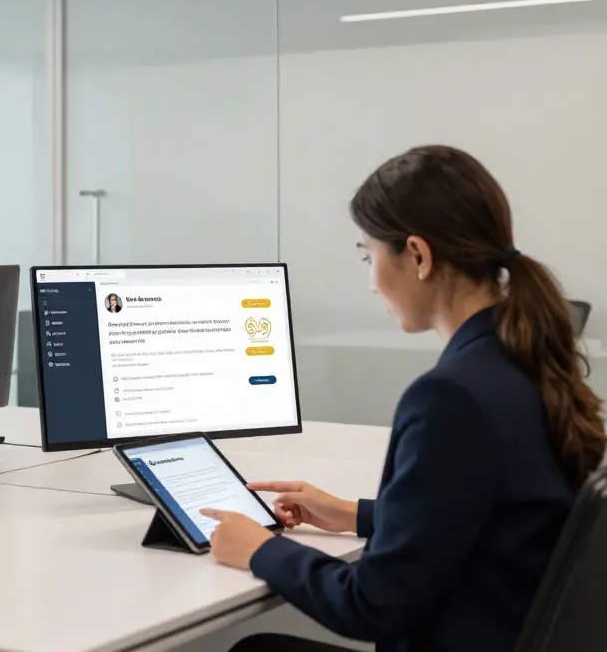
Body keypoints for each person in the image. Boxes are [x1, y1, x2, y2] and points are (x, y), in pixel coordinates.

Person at [200, 145, 606, 652]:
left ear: (417, 255)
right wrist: (357, 514)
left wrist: (260, 550)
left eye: (368, 255)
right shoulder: (525, 358)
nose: (371, 283)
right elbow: (497, 513)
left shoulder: (451, 397)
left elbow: (371, 606)